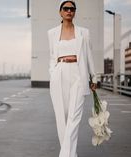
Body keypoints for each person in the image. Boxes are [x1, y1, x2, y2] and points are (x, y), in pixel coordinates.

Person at [47, 0, 97, 157]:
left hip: (78, 73)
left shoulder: (84, 32)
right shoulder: (52, 33)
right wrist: (52, 72)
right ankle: (70, 154)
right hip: (59, 73)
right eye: (66, 8)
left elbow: (89, 56)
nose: (69, 11)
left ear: (74, 12)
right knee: (61, 117)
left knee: (74, 117)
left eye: (72, 9)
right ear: (60, 12)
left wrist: (93, 77)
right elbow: (51, 56)